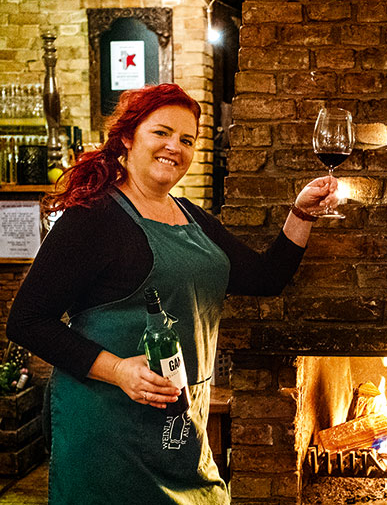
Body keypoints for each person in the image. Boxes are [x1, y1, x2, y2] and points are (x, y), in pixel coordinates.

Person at [6, 83, 337, 504]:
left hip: (178, 423)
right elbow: (27, 321)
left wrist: (302, 211)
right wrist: (119, 370)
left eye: (186, 139)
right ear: (128, 138)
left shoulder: (192, 218)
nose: (174, 148)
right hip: (108, 429)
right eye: (160, 133)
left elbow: (266, 277)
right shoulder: (92, 218)